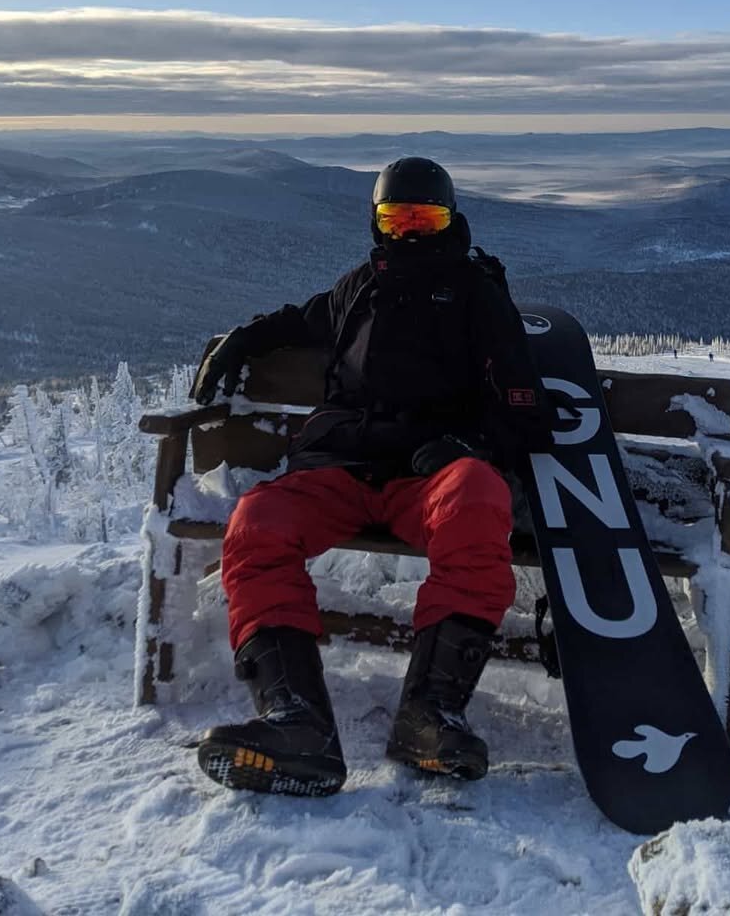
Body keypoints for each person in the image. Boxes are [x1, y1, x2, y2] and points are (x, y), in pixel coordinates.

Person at [189, 157, 554, 798]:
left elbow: (525, 407)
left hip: (429, 478)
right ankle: (296, 722)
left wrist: (465, 444)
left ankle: (430, 715)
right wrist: (237, 343)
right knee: (257, 523)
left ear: (449, 219)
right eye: (397, 218)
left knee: (477, 499)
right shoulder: (359, 286)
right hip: (340, 467)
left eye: (425, 218)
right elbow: (296, 321)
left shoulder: (477, 296)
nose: (411, 232)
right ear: (378, 222)